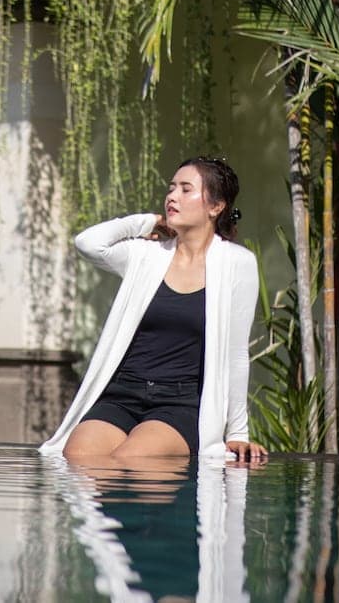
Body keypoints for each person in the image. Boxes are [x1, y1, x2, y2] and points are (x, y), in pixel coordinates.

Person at [38, 156, 268, 460]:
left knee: (132, 459)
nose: (172, 196)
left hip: (180, 402)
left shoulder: (237, 263)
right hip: (122, 393)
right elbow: (87, 243)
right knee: (78, 457)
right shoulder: (146, 255)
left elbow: (236, 353)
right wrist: (147, 222)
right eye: (171, 188)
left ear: (216, 206)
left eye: (186, 189)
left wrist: (238, 433)